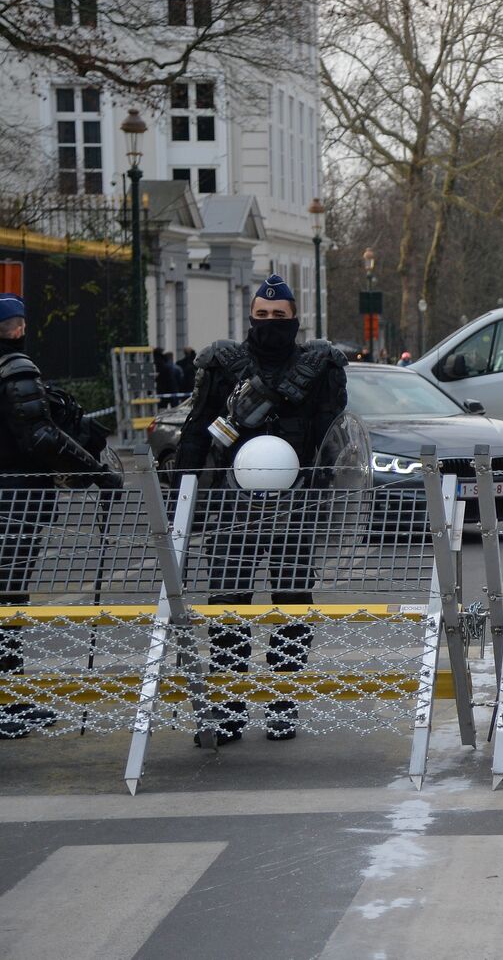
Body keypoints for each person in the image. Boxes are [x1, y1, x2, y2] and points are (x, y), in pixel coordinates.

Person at [174, 274, 348, 743]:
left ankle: (281, 703)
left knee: (291, 605)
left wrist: (324, 492)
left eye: (280, 316)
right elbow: (196, 432)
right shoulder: (223, 364)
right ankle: (228, 709)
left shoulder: (322, 366)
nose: (271, 322)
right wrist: (180, 499)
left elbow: (334, 438)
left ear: (295, 320)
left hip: (296, 505)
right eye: (263, 315)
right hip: (234, 506)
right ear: (251, 316)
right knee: (228, 606)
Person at [0, 292, 120, 739]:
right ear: (17, 327)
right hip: (11, 499)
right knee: (4, 599)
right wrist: (96, 472)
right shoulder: (12, 368)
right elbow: (40, 437)